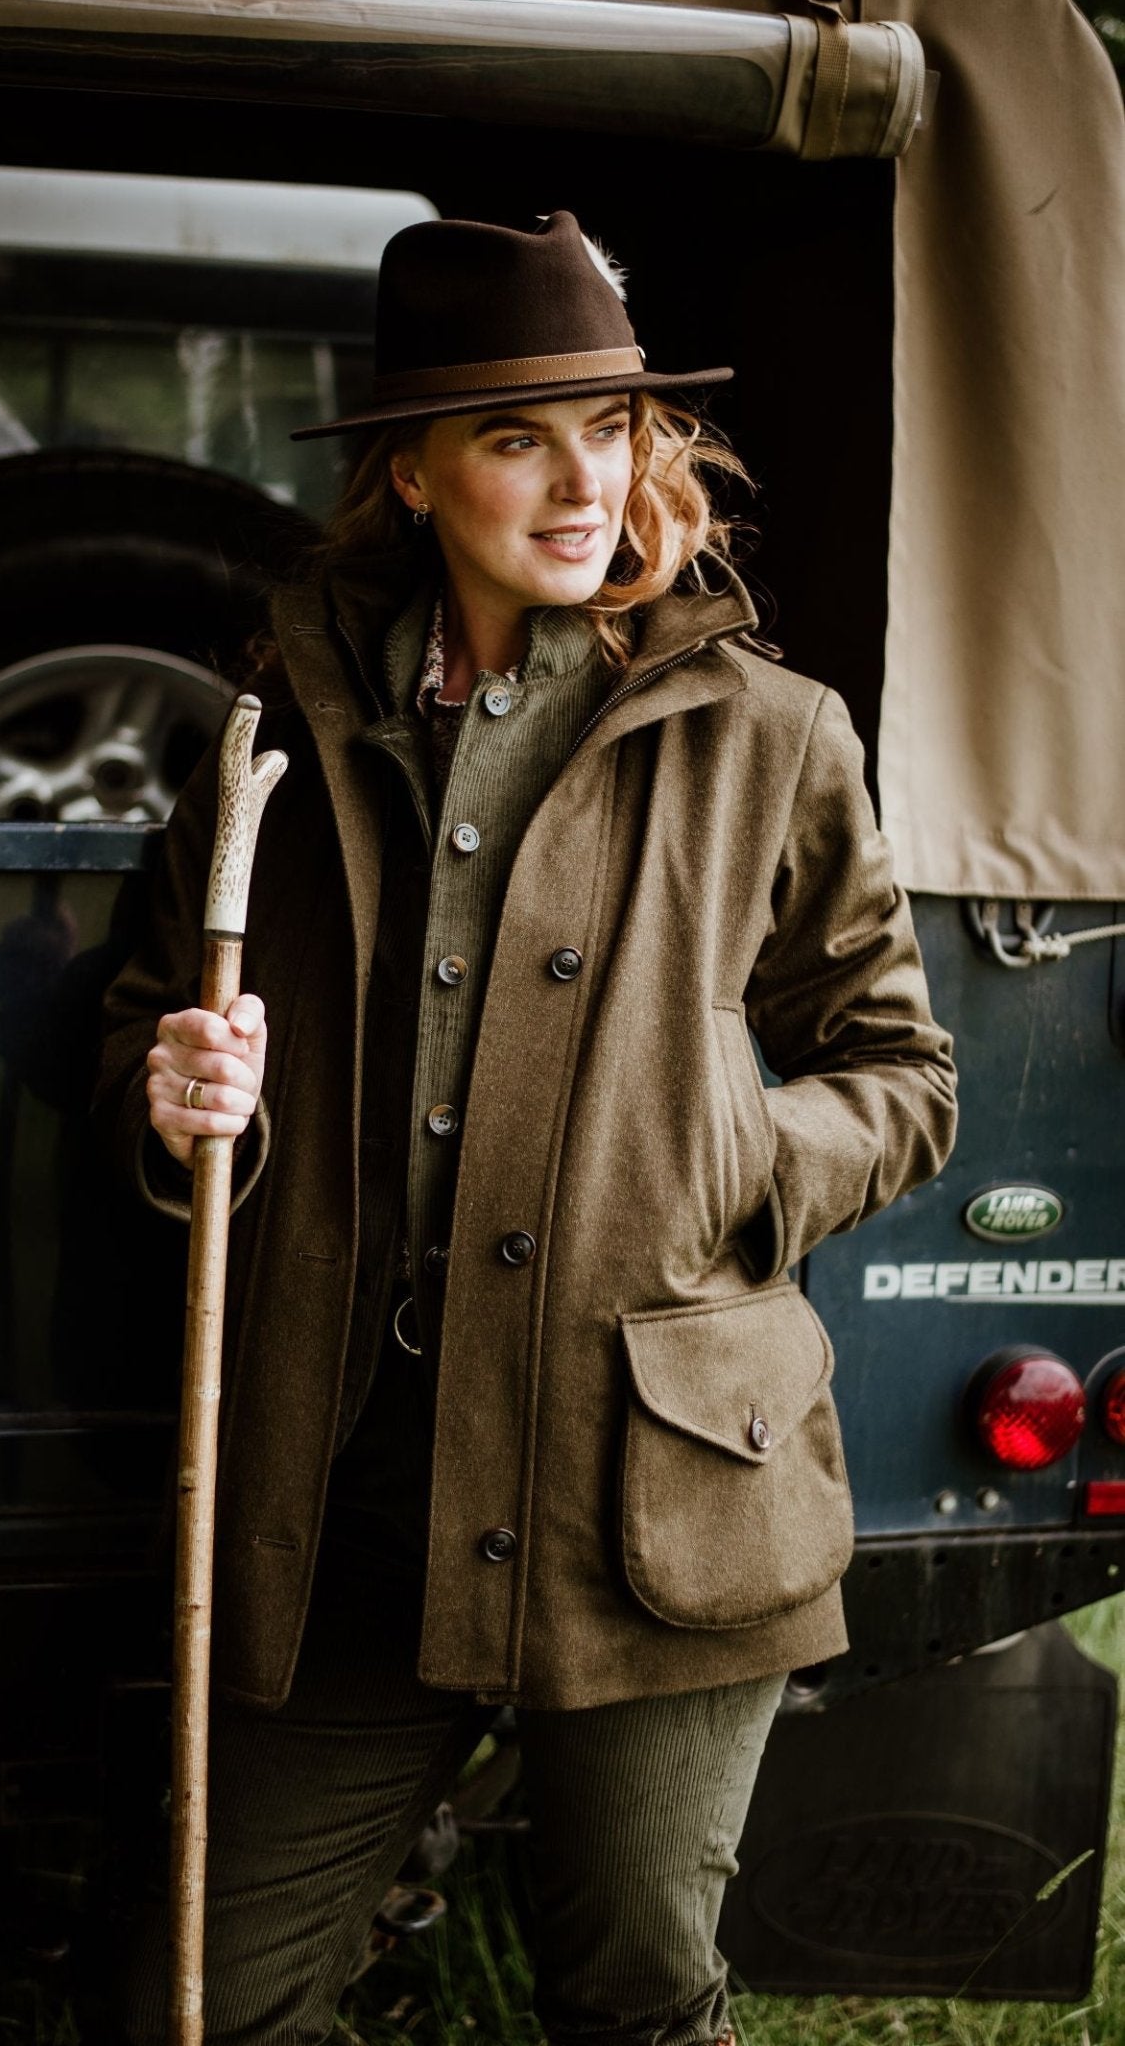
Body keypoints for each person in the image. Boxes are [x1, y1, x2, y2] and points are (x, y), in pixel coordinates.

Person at [94, 211, 957, 2046]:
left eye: (612, 425)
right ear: (410, 475)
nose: (586, 480)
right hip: (341, 1505)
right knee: (200, 2001)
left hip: (660, 1507)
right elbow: (146, 1023)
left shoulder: (769, 735)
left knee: (636, 2001)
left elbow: (898, 1072)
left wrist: (720, 1155)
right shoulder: (273, 730)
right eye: (516, 436)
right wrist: (177, 1106)